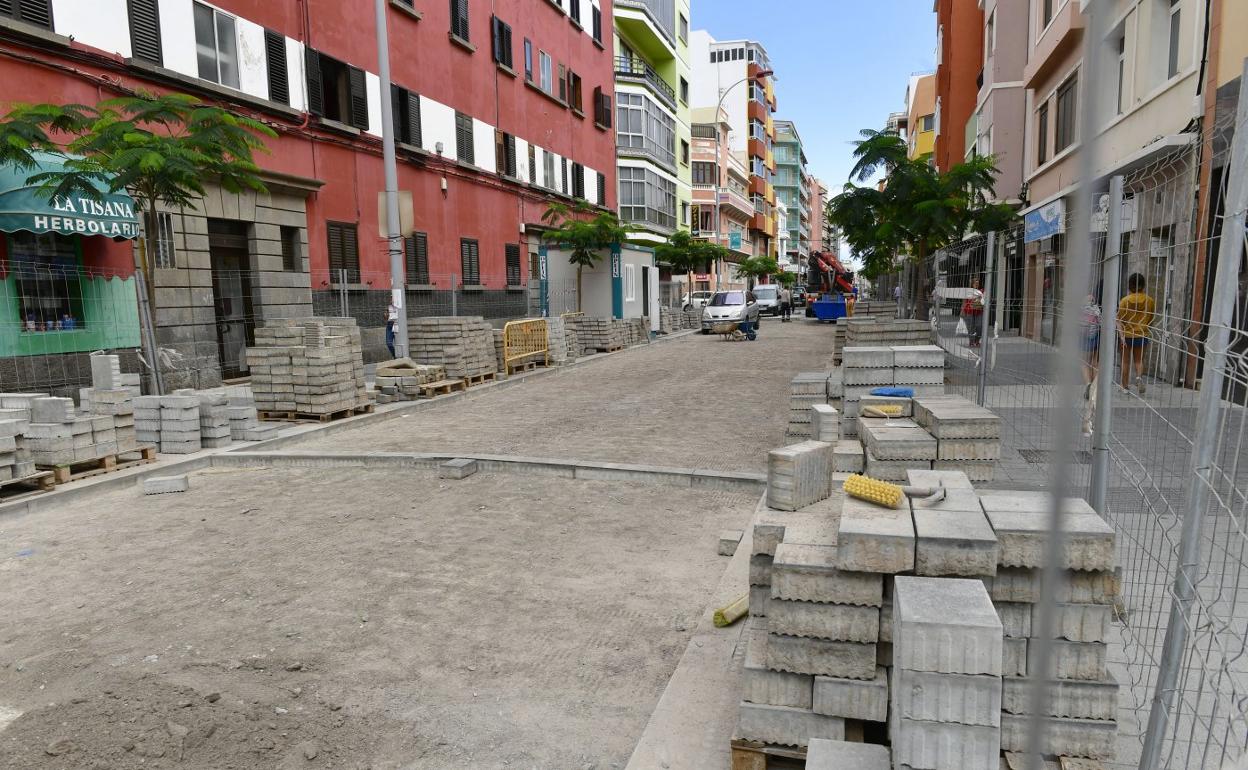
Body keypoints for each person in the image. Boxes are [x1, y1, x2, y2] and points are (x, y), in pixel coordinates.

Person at [1117, 273, 1156, 394]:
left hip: (1127, 335)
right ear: (1143, 285)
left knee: (1125, 361)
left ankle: (1124, 386)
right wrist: (1145, 327)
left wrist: (1121, 336)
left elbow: (1119, 319)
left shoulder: (1124, 301)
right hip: (1142, 334)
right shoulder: (1150, 300)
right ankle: (1139, 378)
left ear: (1130, 285)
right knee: (1139, 360)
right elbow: (1151, 317)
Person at [1080, 282, 1102, 395]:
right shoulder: (1096, 306)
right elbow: (1100, 321)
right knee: (1095, 363)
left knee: (1084, 362)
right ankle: (1094, 387)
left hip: (1084, 337)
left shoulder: (1081, 306)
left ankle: (1088, 384)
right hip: (1096, 336)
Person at [961, 278, 985, 348]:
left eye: (978, 283)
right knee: (971, 327)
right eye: (975, 283)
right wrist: (962, 310)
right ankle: (971, 341)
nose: (976, 284)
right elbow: (964, 301)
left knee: (979, 326)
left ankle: (977, 340)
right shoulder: (968, 291)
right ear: (972, 284)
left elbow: (984, 300)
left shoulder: (981, 291)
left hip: (979, 311)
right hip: (969, 311)